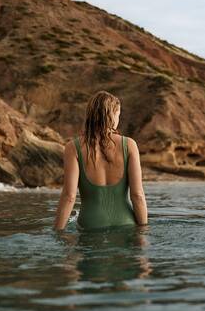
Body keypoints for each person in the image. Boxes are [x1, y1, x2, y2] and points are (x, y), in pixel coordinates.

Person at [53, 90, 148, 231]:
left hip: (90, 225)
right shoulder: (129, 145)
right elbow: (138, 195)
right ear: (112, 115)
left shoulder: (73, 148)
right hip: (125, 223)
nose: (118, 119)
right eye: (118, 115)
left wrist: (57, 232)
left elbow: (69, 197)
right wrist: (143, 231)